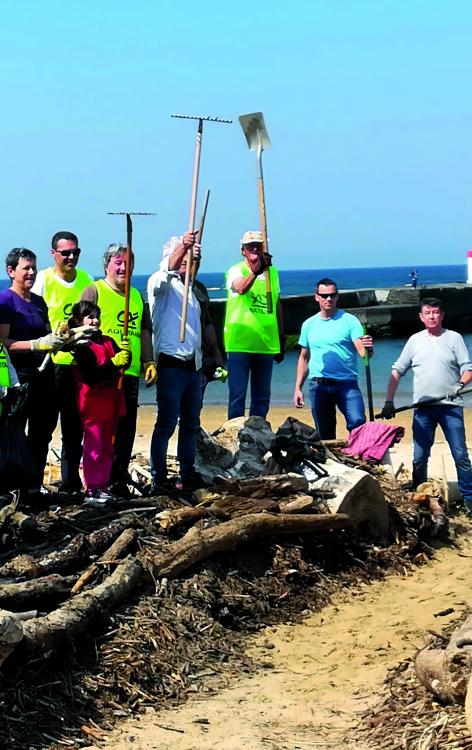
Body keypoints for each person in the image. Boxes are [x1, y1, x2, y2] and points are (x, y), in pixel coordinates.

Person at [380, 297, 472, 512]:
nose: (432, 316)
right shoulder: (414, 340)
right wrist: (388, 402)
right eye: (428, 313)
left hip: (450, 406)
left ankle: (469, 498)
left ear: (442, 315)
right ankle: (419, 494)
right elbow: (397, 371)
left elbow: (468, 369)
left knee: (460, 454)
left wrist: (460, 384)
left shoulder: (454, 338)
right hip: (423, 409)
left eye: (436, 312)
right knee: (420, 457)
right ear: (421, 317)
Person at [81, 244, 156, 494]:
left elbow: (144, 330)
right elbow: (80, 326)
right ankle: (97, 481)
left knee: (126, 429)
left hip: (130, 373)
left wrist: (149, 360)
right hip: (105, 374)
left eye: (128, 263)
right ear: (107, 266)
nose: (123, 267)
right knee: (101, 431)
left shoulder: (135, 295)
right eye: (118, 262)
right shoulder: (95, 290)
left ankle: (119, 477)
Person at [32, 230, 94, 494]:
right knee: (43, 427)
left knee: (74, 428)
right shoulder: (43, 280)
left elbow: (91, 319)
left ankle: (71, 482)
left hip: (78, 365)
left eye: (75, 252)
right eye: (65, 253)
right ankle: (33, 483)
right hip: (50, 364)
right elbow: (31, 317)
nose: (71, 257)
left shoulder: (87, 280)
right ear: (53, 253)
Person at [147, 232, 207, 493]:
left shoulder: (191, 290)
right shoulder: (160, 284)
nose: (187, 262)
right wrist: (183, 246)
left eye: (190, 259)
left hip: (191, 367)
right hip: (170, 366)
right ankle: (158, 476)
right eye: (184, 258)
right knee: (167, 423)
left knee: (191, 424)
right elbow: (168, 269)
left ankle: (187, 471)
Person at [0, 248, 63, 492]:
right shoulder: (5, 300)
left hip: (43, 373)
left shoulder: (38, 301)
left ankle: (34, 487)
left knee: (42, 431)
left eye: (34, 267)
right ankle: (13, 488)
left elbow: (46, 333)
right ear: (11, 271)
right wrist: (35, 344)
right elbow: (3, 342)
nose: (32, 272)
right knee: (15, 432)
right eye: (26, 268)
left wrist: (60, 339)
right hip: (19, 376)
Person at [293, 277, 373, 439]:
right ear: (316, 297)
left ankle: (358, 456)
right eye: (324, 295)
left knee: (358, 422)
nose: (328, 299)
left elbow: (364, 354)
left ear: (337, 296)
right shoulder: (309, 324)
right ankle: (331, 462)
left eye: (332, 295)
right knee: (325, 434)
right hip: (319, 385)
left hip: (347, 384)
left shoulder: (350, 321)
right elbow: (304, 358)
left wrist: (369, 348)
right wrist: (297, 388)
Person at [68, 301, 130, 504]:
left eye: (96, 316)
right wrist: (113, 363)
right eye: (89, 317)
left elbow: (123, 361)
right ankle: (92, 487)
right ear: (79, 321)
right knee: (93, 446)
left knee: (108, 445)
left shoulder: (108, 340)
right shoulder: (81, 346)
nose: (95, 320)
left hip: (112, 400)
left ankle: (103, 484)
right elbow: (91, 375)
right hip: (93, 403)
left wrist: (126, 355)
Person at [224, 230, 284, 420]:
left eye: (258, 245)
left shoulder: (272, 273)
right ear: (243, 250)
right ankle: (235, 435)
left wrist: (281, 339)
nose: (255, 249)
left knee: (262, 397)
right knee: (237, 395)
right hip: (240, 343)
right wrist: (256, 271)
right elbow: (240, 288)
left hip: (266, 343)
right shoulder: (236, 270)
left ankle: (257, 434)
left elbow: (277, 305)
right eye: (250, 246)